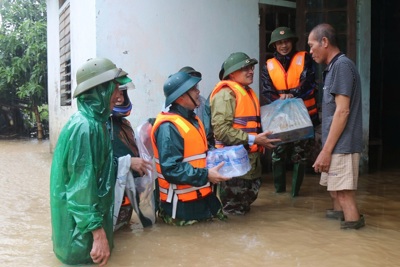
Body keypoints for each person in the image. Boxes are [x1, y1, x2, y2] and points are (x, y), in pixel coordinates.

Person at [50, 57, 134, 266]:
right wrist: (98, 235)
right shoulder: (85, 127)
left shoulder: (95, 123)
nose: (118, 95)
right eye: (115, 89)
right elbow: (81, 189)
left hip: (84, 228)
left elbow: (98, 176)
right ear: (101, 90)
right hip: (80, 236)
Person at [151, 71, 230, 226]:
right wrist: (206, 175)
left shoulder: (193, 120)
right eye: (193, 89)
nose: (198, 92)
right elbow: (171, 169)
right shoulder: (169, 127)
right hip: (181, 207)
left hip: (202, 198)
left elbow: (199, 155)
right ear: (180, 97)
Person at [308, 23, 365, 229]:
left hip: (343, 144)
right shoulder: (333, 68)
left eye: (311, 45)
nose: (310, 51)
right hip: (336, 144)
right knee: (335, 191)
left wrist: (326, 150)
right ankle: (337, 239)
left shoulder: (341, 66)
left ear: (325, 42)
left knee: (343, 193)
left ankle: (354, 234)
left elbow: (342, 111)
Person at [209, 52, 280, 215]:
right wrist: (255, 139)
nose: (251, 71)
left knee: (244, 209)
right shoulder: (226, 94)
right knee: (234, 212)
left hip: (250, 163)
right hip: (233, 165)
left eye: (251, 68)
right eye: (245, 68)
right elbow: (221, 131)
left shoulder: (247, 92)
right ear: (232, 73)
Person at [261, 26, 319, 197]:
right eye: (279, 43)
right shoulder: (268, 65)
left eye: (286, 41)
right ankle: (279, 192)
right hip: (280, 117)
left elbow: (309, 84)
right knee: (277, 153)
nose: (283, 45)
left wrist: (292, 94)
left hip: (304, 115)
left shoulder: (304, 58)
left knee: (300, 155)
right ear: (274, 46)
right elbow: (267, 90)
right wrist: (281, 98)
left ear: (292, 42)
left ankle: (295, 194)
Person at [107, 84, 155, 230]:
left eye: (122, 93)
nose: (120, 98)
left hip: (126, 200)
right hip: (111, 202)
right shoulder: (100, 126)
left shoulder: (124, 124)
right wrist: (128, 162)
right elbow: (96, 166)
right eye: (115, 93)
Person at [178, 66, 214, 146]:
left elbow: (208, 130)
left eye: (195, 85)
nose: (197, 90)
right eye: (191, 87)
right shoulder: (170, 111)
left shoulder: (203, 102)